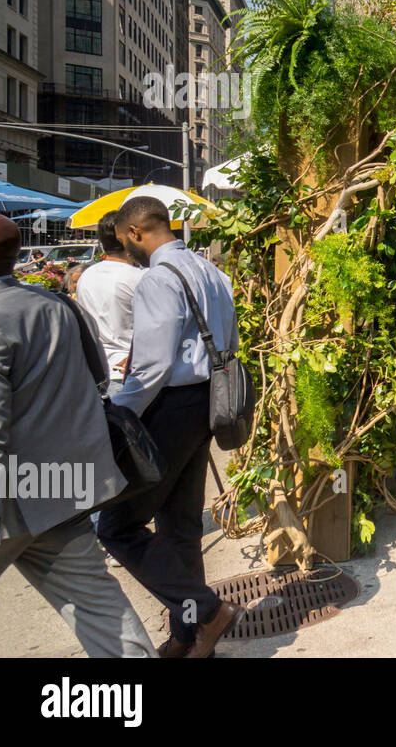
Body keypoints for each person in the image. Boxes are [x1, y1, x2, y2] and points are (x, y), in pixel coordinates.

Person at [0, 213, 155, 657]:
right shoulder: (54, 305)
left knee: (99, 605)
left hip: (8, 499)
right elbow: (97, 374)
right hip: (59, 487)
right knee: (101, 610)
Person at [97, 197, 242, 658]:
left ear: (136, 233)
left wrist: (119, 413)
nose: (127, 250)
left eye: (125, 241)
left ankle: (207, 611)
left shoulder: (158, 278)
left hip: (170, 406)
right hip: (208, 402)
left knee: (118, 526)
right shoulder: (211, 272)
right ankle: (189, 635)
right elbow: (229, 339)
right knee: (179, 525)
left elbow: (154, 364)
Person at [75, 211, 144, 385]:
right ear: (129, 237)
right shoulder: (139, 278)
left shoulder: (86, 275)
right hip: (129, 371)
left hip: (97, 369)